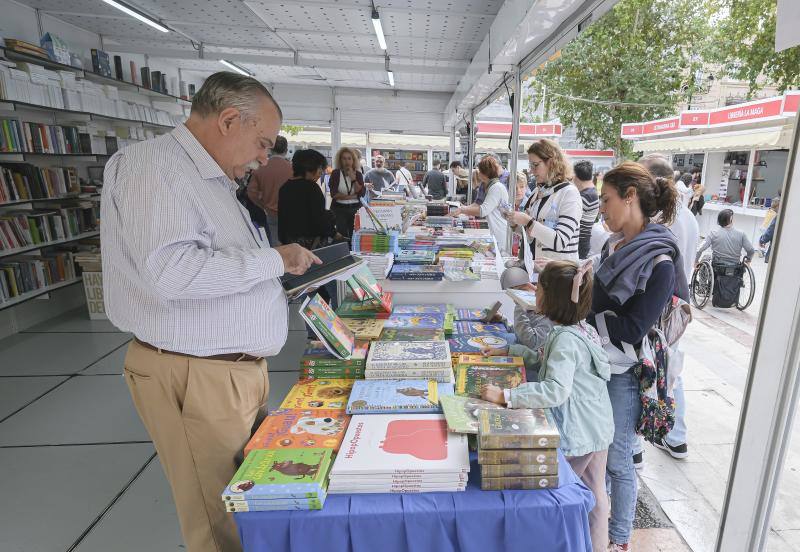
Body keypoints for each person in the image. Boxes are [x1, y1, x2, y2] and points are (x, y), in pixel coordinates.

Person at [100, 72, 321, 552]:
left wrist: (275, 278)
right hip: (196, 376)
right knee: (217, 520)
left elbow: (219, 265)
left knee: (249, 500)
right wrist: (275, 259)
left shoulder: (211, 179)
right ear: (227, 120)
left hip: (229, 373)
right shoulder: (154, 169)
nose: (266, 157)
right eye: (262, 142)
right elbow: (173, 274)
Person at [586, 161, 687, 552]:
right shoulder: (614, 247)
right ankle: (599, 527)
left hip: (624, 374)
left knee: (619, 460)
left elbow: (634, 329)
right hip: (598, 362)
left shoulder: (660, 262)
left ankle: (619, 540)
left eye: (607, 200)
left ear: (630, 197)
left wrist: (588, 316)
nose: (603, 210)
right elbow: (604, 303)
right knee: (599, 457)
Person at [482, 260, 613, 552]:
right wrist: (509, 350)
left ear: (550, 297)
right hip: (598, 425)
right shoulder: (577, 329)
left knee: (561, 497)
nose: (533, 294)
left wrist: (508, 396)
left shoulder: (565, 339)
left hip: (579, 432)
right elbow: (543, 355)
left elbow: (556, 390)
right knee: (596, 497)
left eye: (538, 288)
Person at [639, 153, 699, 463]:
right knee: (672, 370)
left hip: (661, 308)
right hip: (678, 306)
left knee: (652, 368)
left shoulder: (660, 217)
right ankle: (677, 437)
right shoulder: (687, 215)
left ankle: (640, 443)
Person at [506, 139, 582, 266]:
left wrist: (527, 221)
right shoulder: (538, 191)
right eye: (531, 166)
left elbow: (560, 241)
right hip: (538, 269)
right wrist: (514, 224)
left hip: (560, 274)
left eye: (535, 165)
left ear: (551, 163)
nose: (532, 171)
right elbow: (532, 236)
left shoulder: (569, 194)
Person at [278, 149, 337, 249]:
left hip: (290, 242)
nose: (321, 173)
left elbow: (283, 217)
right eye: (320, 168)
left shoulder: (285, 187)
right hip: (310, 243)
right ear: (309, 168)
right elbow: (319, 218)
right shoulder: (312, 188)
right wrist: (333, 232)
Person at [452, 156, 509, 255]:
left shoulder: (496, 188)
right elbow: (479, 203)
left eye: (480, 171)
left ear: (485, 173)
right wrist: (464, 209)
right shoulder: (491, 185)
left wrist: (462, 210)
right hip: (496, 231)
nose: (478, 173)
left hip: (499, 232)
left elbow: (483, 210)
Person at [246, 135, 292, 246]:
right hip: (290, 213)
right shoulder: (292, 169)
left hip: (270, 212)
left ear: (270, 149)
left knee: (275, 244)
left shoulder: (260, 168)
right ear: (285, 150)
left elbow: (251, 192)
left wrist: (263, 205)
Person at [500, 266, 555, 355]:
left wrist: (520, 305)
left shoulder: (550, 318)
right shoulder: (537, 310)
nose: (535, 290)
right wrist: (503, 320)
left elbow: (530, 342)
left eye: (538, 288)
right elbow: (521, 333)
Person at [329, 146, 365, 240]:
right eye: (344, 158)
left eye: (349, 158)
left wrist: (353, 178)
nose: (347, 161)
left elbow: (361, 193)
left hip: (355, 208)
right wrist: (352, 196)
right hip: (339, 210)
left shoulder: (358, 174)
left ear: (353, 160)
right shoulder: (336, 173)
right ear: (340, 160)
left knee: (355, 235)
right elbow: (334, 194)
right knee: (342, 236)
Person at [573, 160, 600, 260]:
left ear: (576, 177)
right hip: (583, 241)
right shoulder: (591, 192)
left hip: (579, 243)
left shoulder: (586, 196)